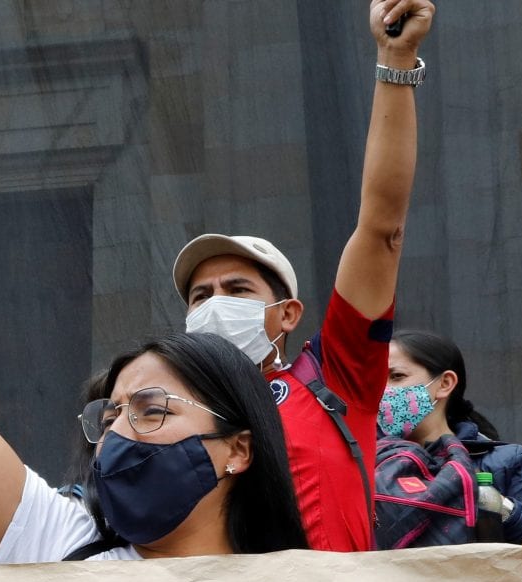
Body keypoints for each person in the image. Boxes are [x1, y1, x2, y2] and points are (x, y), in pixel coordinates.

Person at [0, 112, 307, 564]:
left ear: (239, 449)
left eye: (152, 409)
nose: (119, 434)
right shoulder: (61, 546)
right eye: (109, 417)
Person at [173, 0, 435, 553]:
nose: (215, 305)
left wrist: (396, 60)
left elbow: (380, 227)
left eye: (238, 289)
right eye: (201, 296)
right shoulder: (165, 416)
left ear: (287, 314)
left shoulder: (337, 378)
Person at [373, 328, 522, 548]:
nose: (382, 390)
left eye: (396, 376)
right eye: (376, 378)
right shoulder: (364, 465)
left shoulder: (507, 461)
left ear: (445, 383)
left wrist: (500, 507)